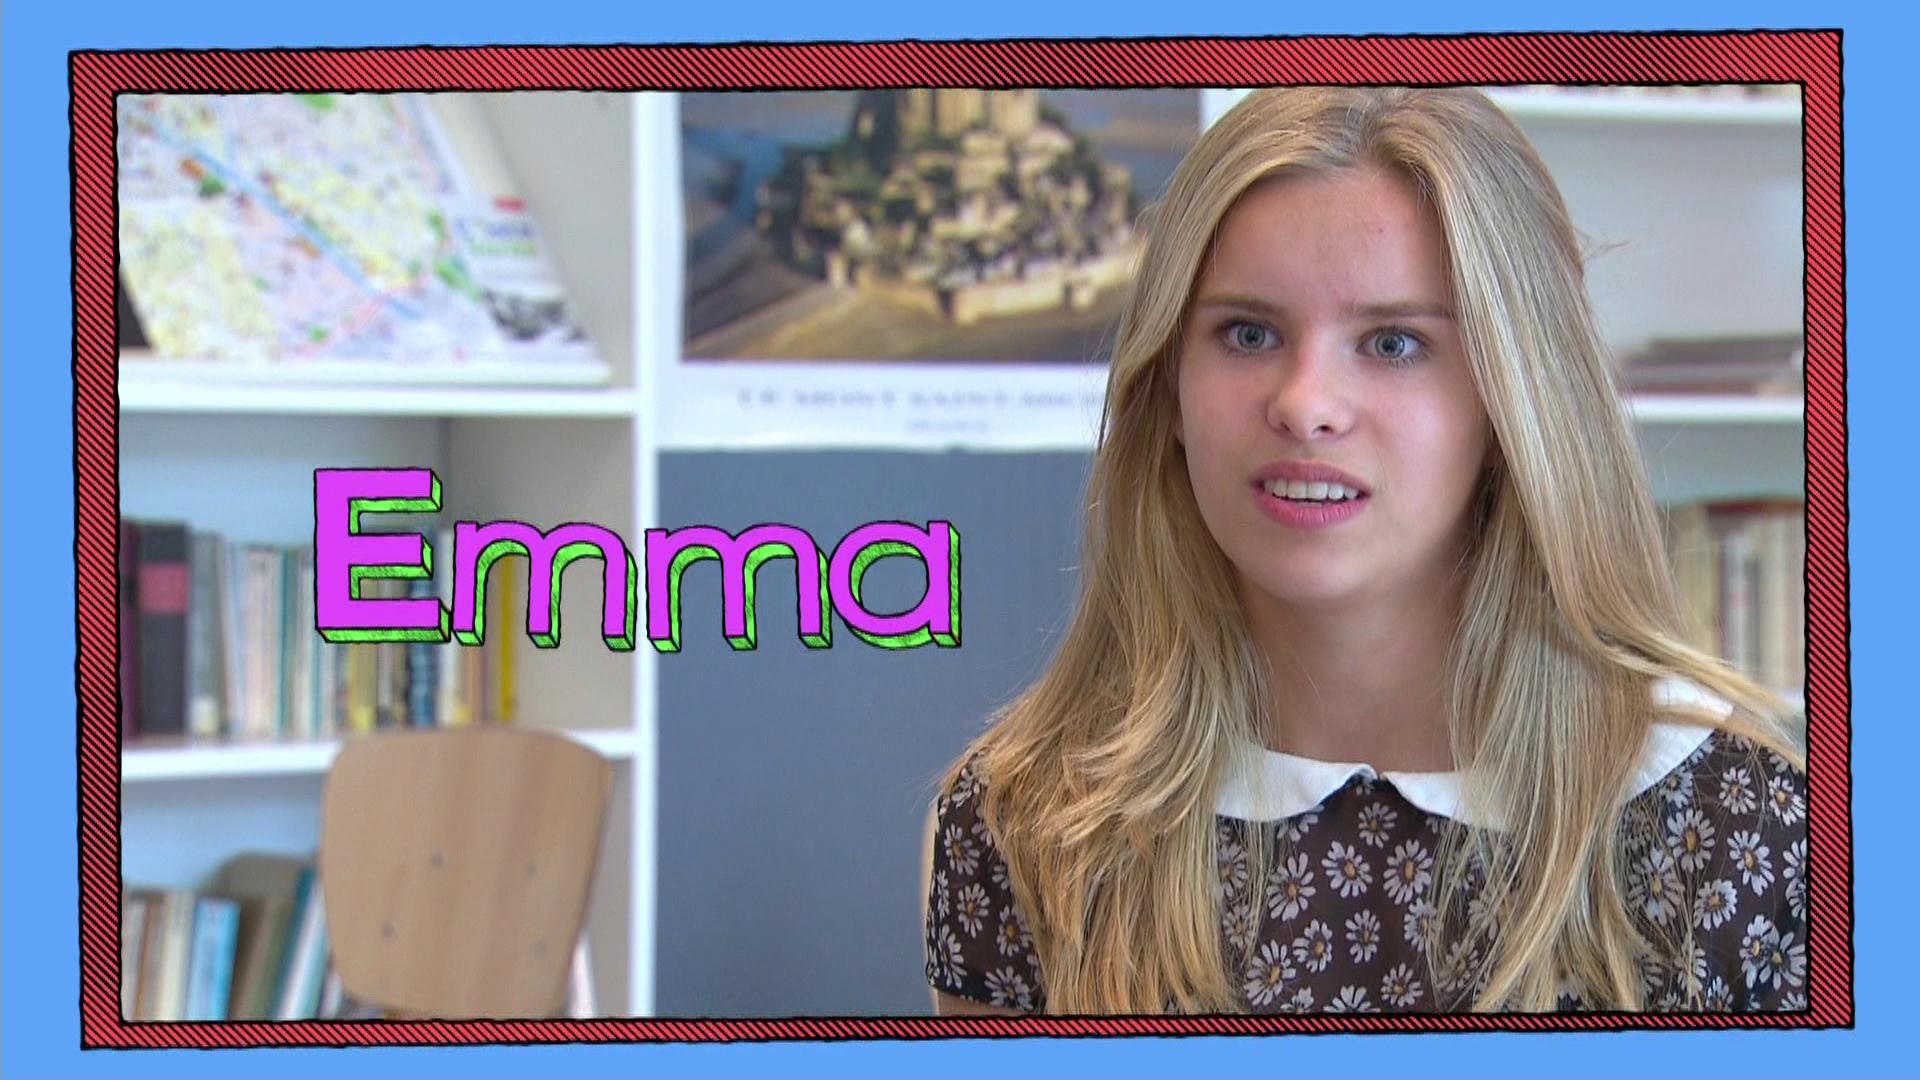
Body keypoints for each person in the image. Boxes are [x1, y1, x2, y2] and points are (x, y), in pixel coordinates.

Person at [922, 86, 1808, 1016]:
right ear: (1169, 388)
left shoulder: (1740, 828)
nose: (1305, 404)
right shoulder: (1027, 823)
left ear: (1514, 403)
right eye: (1247, 333)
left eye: (1392, 342)